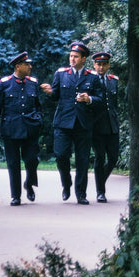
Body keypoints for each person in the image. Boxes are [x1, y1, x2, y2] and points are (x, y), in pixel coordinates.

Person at [40, 41, 103, 204]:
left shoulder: (93, 77)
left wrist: (89, 99)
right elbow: (56, 96)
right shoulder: (61, 74)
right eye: (71, 56)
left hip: (83, 123)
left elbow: (101, 100)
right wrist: (50, 92)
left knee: (82, 159)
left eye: (76, 57)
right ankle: (66, 184)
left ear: (84, 59)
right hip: (63, 122)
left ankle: (81, 193)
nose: (72, 59)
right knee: (61, 155)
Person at [0, 51, 42, 206]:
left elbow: (38, 105)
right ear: (18, 66)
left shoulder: (33, 83)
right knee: (13, 163)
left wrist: (38, 119)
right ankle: (16, 196)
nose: (30, 66)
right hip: (10, 129)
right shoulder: (4, 83)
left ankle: (29, 183)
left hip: (30, 128)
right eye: (27, 64)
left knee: (32, 160)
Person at [91, 52, 120, 203]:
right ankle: (100, 192)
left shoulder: (113, 80)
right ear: (94, 65)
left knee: (114, 157)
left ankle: (100, 181)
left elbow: (115, 103)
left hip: (112, 124)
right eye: (98, 64)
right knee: (100, 157)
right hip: (97, 126)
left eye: (104, 64)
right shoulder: (90, 80)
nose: (101, 67)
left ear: (108, 65)